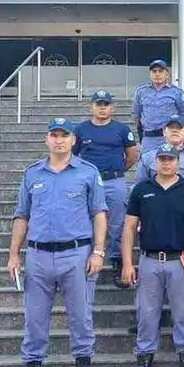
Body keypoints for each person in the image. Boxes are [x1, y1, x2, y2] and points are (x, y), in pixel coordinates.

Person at [7, 118, 107, 367]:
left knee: (81, 318)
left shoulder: (87, 172)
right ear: (47, 139)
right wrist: (14, 254)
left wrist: (98, 251)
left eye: (64, 135)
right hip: (38, 256)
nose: (59, 140)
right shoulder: (32, 174)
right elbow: (21, 216)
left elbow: (99, 213)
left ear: (73, 140)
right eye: (54, 135)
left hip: (76, 254)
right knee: (35, 320)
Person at [120, 144, 184, 367]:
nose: (166, 163)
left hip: (180, 261)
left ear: (178, 161)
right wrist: (127, 262)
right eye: (162, 159)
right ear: (155, 162)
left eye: (170, 159)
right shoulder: (142, 189)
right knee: (146, 316)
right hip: (149, 260)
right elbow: (129, 227)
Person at [73, 90, 138, 288]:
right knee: (86, 221)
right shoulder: (81, 129)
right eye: (98, 104)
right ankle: (87, 261)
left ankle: (118, 263)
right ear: (91, 106)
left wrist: (117, 170)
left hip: (113, 181)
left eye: (106, 104)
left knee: (118, 224)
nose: (102, 108)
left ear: (112, 107)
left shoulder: (121, 129)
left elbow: (132, 157)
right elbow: (73, 156)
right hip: (88, 183)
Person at [135, 115, 184, 200]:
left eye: (179, 128)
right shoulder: (148, 157)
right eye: (171, 128)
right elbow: (138, 186)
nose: (174, 130)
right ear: (164, 131)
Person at [132, 59, 184, 153]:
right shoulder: (141, 92)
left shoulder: (177, 92)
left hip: (169, 138)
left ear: (167, 74)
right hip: (148, 139)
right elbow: (136, 114)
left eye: (160, 71)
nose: (157, 74)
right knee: (147, 161)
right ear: (150, 74)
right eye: (154, 71)